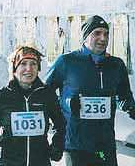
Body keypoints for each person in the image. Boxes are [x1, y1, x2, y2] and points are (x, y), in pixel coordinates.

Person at [45, 15, 135, 166]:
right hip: (75, 144)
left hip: (104, 145)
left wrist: (131, 108)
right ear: (85, 37)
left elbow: (124, 97)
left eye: (106, 34)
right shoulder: (66, 62)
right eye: (97, 33)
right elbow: (43, 94)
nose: (103, 38)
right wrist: (67, 104)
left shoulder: (116, 65)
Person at [0, 46, 65, 166]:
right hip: (8, 161)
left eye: (33, 64)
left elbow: (60, 124)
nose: (29, 69)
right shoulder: (1, 96)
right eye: (23, 64)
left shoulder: (47, 95)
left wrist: (57, 145)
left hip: (40, 161)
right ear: (14, 68)